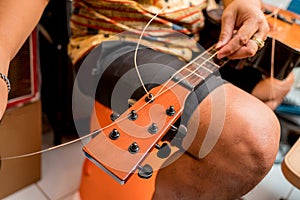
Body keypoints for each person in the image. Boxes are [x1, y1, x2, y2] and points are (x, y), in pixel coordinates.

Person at [0, 0, 292, 199]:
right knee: (251, 138)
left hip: (201, 35)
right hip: (118, 38)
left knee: (280, 80)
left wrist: (244, 4)